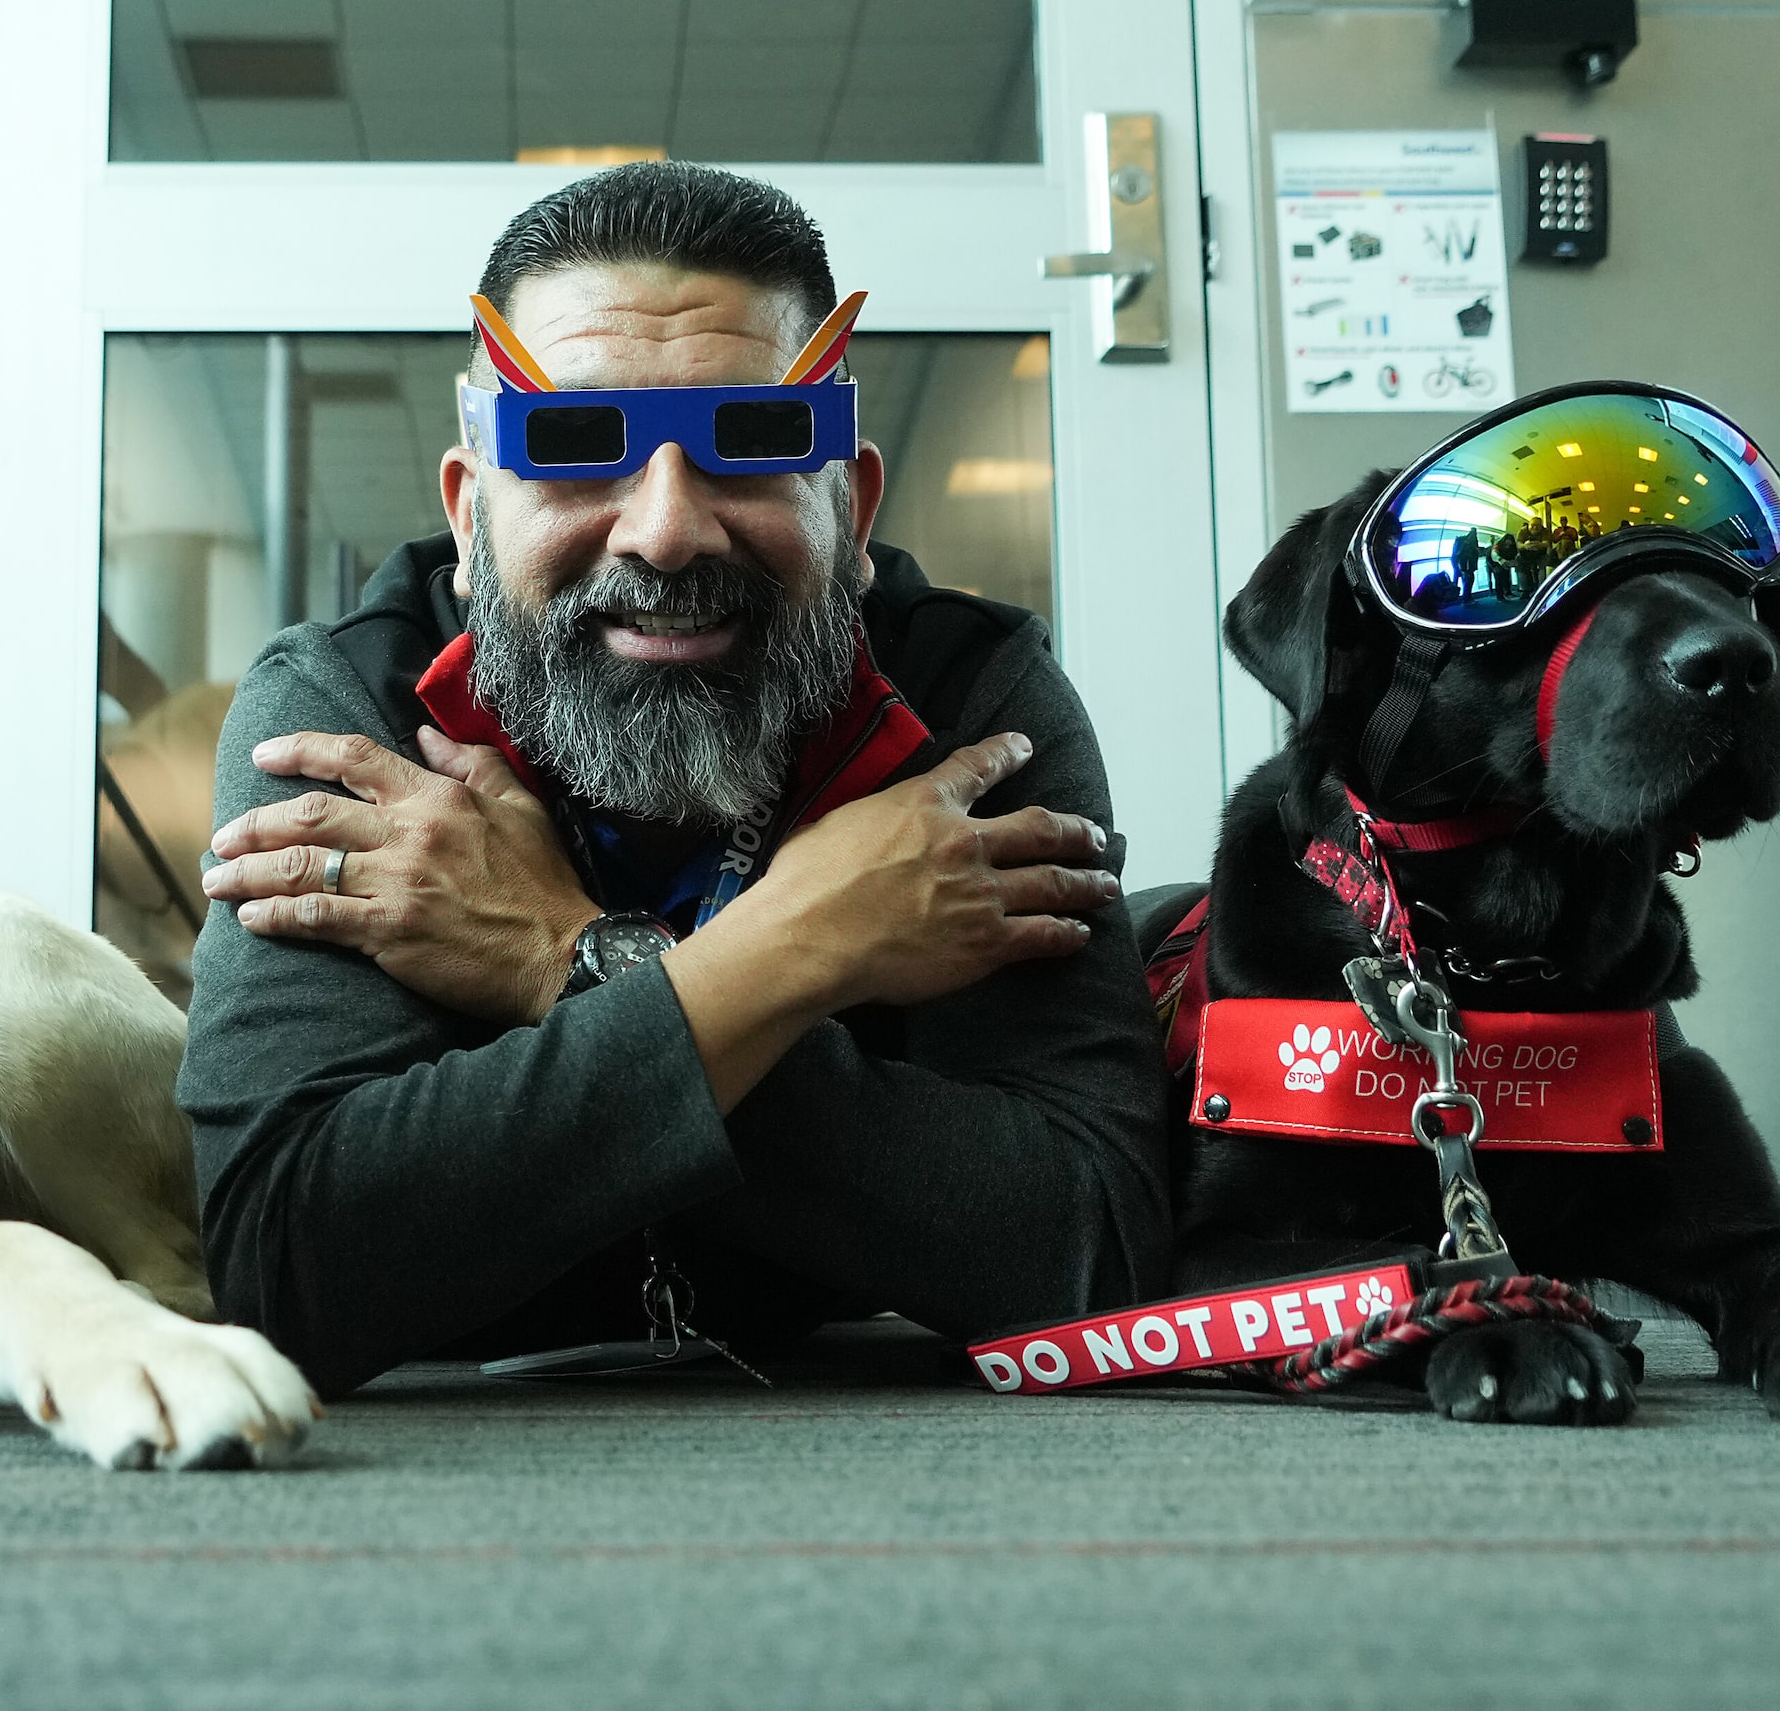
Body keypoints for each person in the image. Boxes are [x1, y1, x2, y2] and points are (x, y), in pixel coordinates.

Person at [176, 163, 1172, 1395]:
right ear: (472, 511)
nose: (663, 531)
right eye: (577, 446)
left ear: (850, 511)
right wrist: (806, 943)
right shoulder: (346, 714)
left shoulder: (972, 709)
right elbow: (291, 1265)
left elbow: (1091, 1249)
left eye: (751, 443)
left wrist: (568, 954)